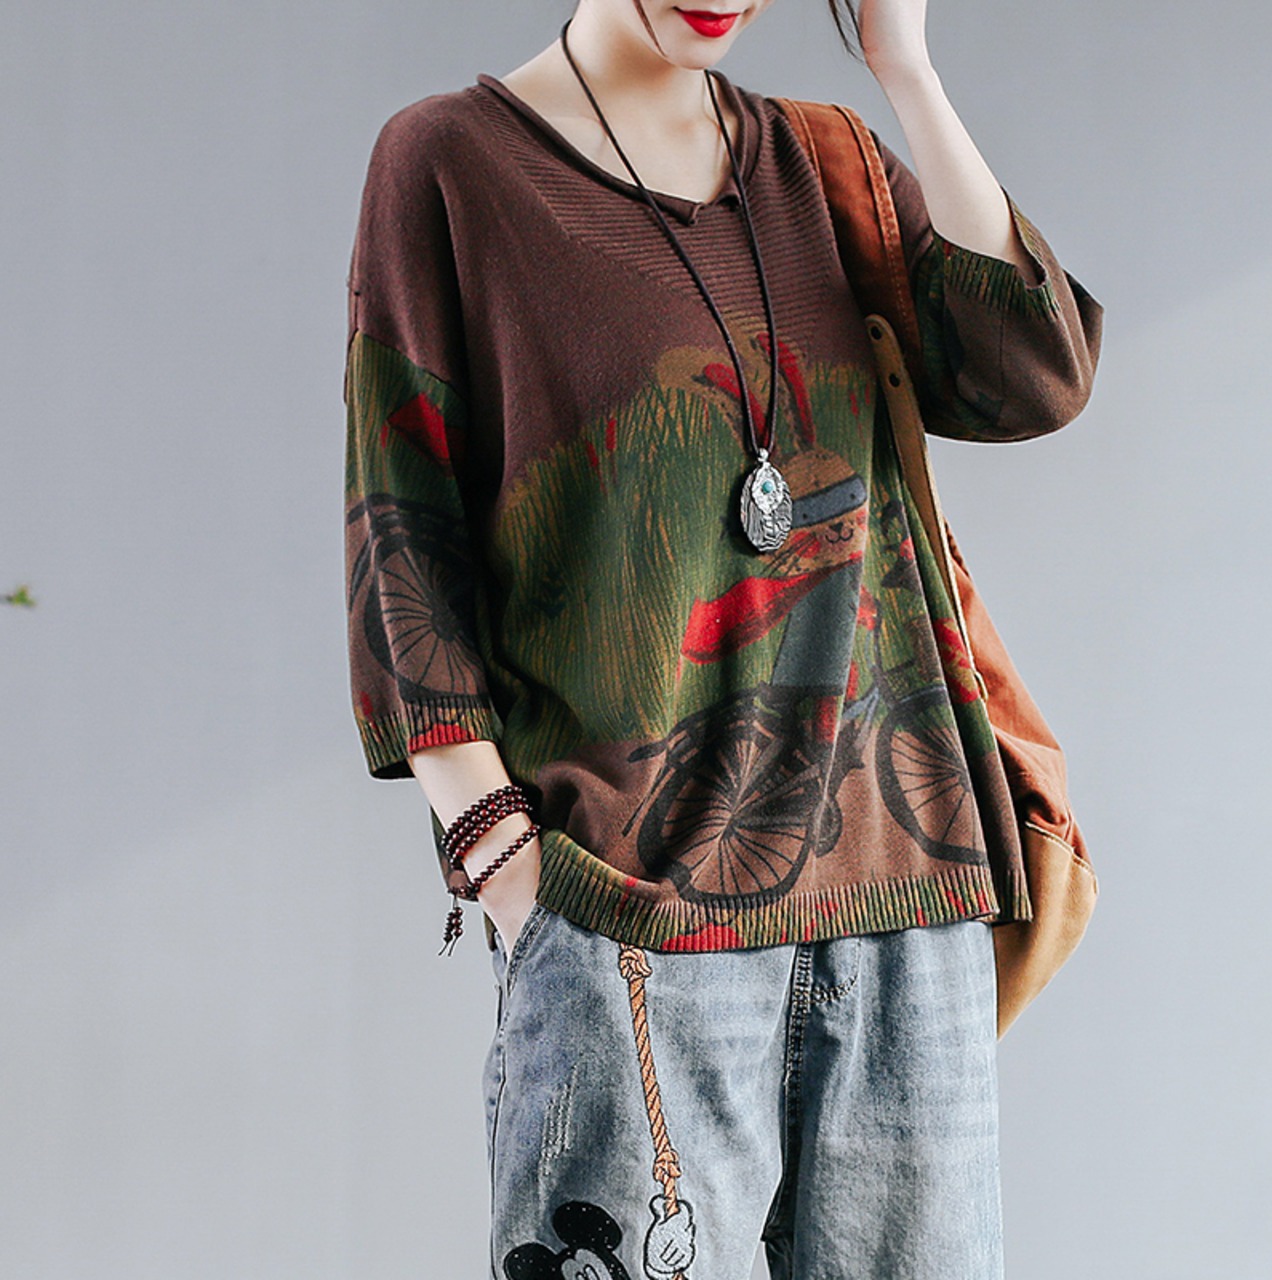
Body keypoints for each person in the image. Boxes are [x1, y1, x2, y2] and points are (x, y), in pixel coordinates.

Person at [342, 0, 1103, 1275]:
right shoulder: (451, 164)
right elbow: (399, 533)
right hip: (631, 924)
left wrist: (904, 66)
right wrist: (514, 872)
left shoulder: (823, 165)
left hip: (903, 906)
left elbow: (1033, 370)